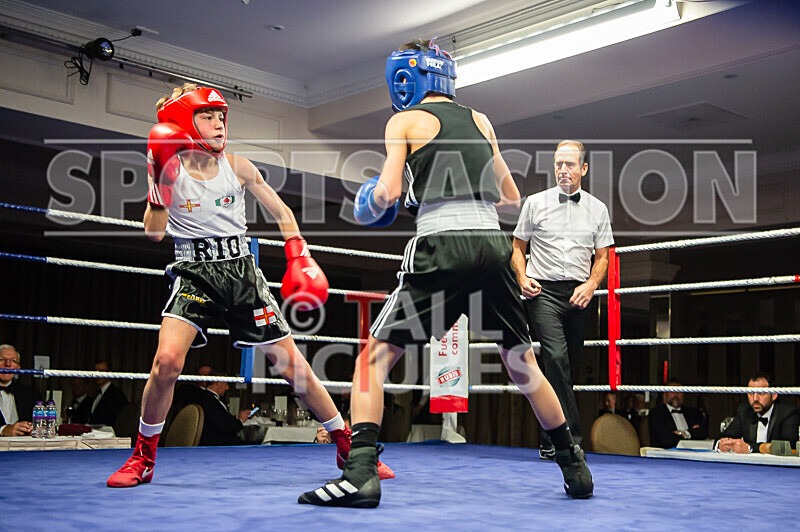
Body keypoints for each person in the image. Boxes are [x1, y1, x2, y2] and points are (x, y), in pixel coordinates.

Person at [298, 39, 593, 508]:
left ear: (404, 79)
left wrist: (371, 197)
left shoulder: (403, 121)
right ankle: (574, 466)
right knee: (522, 364)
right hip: (493, 246)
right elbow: (511, 197)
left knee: (373, 360)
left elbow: (388, 194)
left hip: (441, 244)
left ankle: (359, 474)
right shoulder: (481, 119)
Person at [107, 84, 392, 487]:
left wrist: (298, 253)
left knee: (293, 366)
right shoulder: (169, 169)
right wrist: (157, 185)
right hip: (194, 272)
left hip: (241, 272)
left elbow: (281, 209)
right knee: (166, 363)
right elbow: (154, 234)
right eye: (208, 116)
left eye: (222, 116)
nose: (220, 123)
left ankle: (349, 448)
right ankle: (143, 457)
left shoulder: (237, 166)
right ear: (185, 122)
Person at [511, 139, 614, 460]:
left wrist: (592, 284)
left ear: (583, 168)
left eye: (569, 164)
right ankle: (570, 438)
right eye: (558, 164)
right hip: (543, 293)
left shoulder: (598, 209)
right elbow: (517, 248)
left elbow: (603, 257)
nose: (563, 170)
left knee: (568, 367)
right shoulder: (535, 203)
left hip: (580, 294)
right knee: (554, 359)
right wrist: (523, 277)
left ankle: (549, 438)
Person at [716, 372, 800, 454]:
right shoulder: (744, 411)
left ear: (774, 395)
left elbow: (787, 447)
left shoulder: (788, 413)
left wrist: (750, 448)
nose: (755, 398)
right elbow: (723, 437)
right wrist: (721, 444)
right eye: (751, 393)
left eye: (761, 393)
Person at [193, 372, 250, 446]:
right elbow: (224, 427)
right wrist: (241, 420)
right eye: (226, 384)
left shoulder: (211, 398)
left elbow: (222, 419)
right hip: (218, 444)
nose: (227, 388)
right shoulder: (209, 400)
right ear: (218, 382)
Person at [649, 378, 708, 449]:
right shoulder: (657, 413)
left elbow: (703, 433)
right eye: (672, 391)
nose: (676, 395)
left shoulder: (693, 413)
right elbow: (664, 439)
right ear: (665, 395)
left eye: (679, 391)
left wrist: (683, 434)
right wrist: (690, 433)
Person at [0, 344, 42, 436]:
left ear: (18, 368)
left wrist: (33, 429)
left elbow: (41, 424)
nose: (8, 364)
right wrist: (2, 430)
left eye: (13, 361)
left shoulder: (31, 394)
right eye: (2, 359)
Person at [88, 360, 129, 426]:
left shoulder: (117, 395)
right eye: (95, 371)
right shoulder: (96, 393)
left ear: (109, 373)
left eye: (101, 371)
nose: (97, 374)